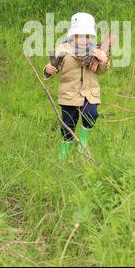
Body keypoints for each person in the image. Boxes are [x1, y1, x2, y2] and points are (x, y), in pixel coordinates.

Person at [43, 12, 110, 160]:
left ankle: (83, 139)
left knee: (92, 114)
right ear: (73, 35)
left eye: (87, 36)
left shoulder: (95, 51)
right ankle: (64, 151)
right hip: (69, 94)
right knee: (68, 125)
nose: (83, 40)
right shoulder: (62, 50)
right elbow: (52, 67)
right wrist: (48, 70)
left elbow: (100, 71)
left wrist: (103, 61)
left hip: (89, 92)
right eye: (79, 36)